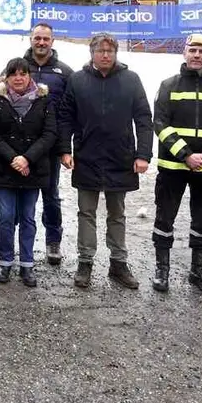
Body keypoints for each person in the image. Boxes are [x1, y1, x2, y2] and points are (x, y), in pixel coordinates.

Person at [59, 33, 153, 289]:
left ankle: (118, 263)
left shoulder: (131, 79)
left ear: (116, 53)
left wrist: (143, 154)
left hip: (120, 156)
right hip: (86, 156)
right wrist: (64, 150)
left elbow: (144, 118)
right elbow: (66, 117)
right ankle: (85, 262)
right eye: (100, 51)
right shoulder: (78, 80)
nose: (105, 55)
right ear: (91, 53)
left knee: (117, 213)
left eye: (110, 51)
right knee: (86, 212)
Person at [150, 34, 202, 296]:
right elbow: (160, 124)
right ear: (185, 53)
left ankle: (199, 269)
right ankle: (161, 269)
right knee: (165, 217)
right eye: (193, 50)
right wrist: (186, 154)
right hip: (173, 166)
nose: (197, 55)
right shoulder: (168, 85)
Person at [0, 22, 72, 265]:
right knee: (11, 193)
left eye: (46, 38)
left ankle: (53, 241)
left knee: (50, 195)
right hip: (13, 150)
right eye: (37, 38)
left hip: (47, 147)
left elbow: (67, 113)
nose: (41, 42)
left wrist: (65, 148)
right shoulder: (16, 66)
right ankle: (4, 239)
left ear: (52, 41)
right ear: (30, 39)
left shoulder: (64, 72)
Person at [0, 58, 58, 286]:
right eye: (13, 74)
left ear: (29, 76)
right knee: (5, 217)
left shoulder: (44, 101)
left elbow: (49, 134)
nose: (18, 78)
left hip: (32, 170)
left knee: (28, 218)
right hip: (2, 169)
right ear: (6, 76)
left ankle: (27, 265)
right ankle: (4, 263)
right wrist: (13, 158)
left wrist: (27, 158)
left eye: (23, 74)